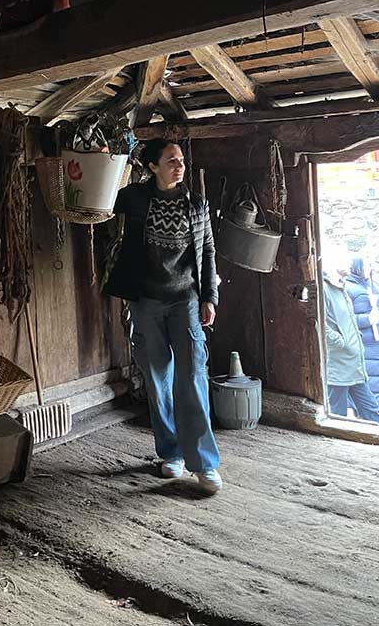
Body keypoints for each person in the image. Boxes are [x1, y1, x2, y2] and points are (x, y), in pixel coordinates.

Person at [105, 138, 222, 494]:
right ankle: (171, 454)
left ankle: (204, 464)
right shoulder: (137, 198)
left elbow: (208, 250)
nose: (179, 166)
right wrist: (106, 160)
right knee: (157, 381)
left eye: (181, 160)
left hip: (185, 301)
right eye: (171, 161)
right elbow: (103, 193)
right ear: (153, 166)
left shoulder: (197, 204)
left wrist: (209, 297)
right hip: (147, 302)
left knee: (191, 379)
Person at [322, 259, 379, 423]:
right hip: (339, 366)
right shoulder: (324, 289)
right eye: (343, 257)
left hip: (355, 366)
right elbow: (318, 324)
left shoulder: (342, 287)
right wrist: (342, 343)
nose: (349, 262)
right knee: (338, 417)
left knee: (372, 412)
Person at [344, 255, 379, 424]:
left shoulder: (374, 289)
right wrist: (367, 319)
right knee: (369, 387)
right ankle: (368, 421)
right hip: (366, 347)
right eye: (366, 264)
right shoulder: (347, 288)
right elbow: (345, 319)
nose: (369, 268)